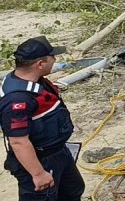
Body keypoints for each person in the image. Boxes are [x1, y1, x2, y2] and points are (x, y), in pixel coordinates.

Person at [2, 36, 84, 201]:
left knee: (73, 191)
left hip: (58, 152)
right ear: (40, 64)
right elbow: (18, 142)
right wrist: (38, 173)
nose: (55, 60)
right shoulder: (17, 100)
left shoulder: (34, 81)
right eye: (52, 57)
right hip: (41, 161)